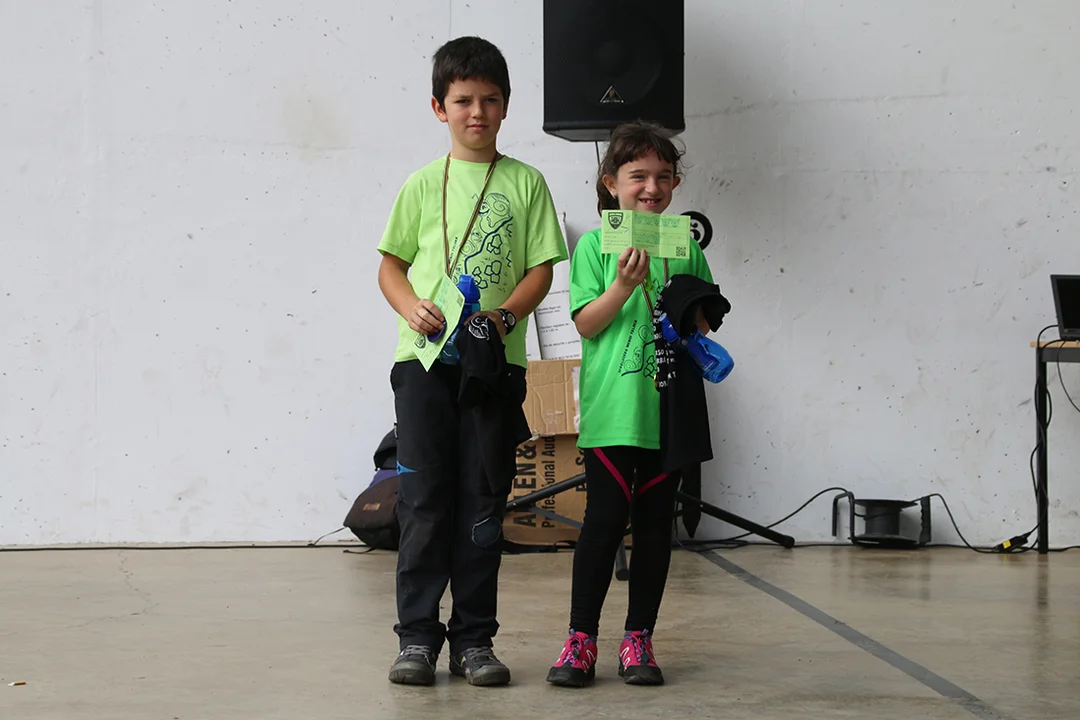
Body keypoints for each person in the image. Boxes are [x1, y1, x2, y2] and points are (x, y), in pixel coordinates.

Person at [376, 36, 568, 687]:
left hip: (494, 368)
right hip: (424, 365)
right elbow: (391, 267)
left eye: (489, 99)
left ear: (506, 105)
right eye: (462, 100)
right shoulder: (420, 185)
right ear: (439, 107)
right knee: (424, 502)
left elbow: (541, 269)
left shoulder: (525, 182)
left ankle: (475, 641)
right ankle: (417, 639)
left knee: (484, 503)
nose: (476, 112)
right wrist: (410, 307)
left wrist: (506, 315)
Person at [546, 121, 715, 688]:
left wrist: (692, 308)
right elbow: (586, 324)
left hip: (671, 408)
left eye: (664, 177)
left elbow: (704, 320)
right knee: (603, 521)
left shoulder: (686, 245)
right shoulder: (595, 245)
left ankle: (638, 638)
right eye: (638, 176)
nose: (652, 187)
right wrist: (621, 286)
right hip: (615, 410)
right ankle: (580, 640)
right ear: (610, 183)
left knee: (655, 526)